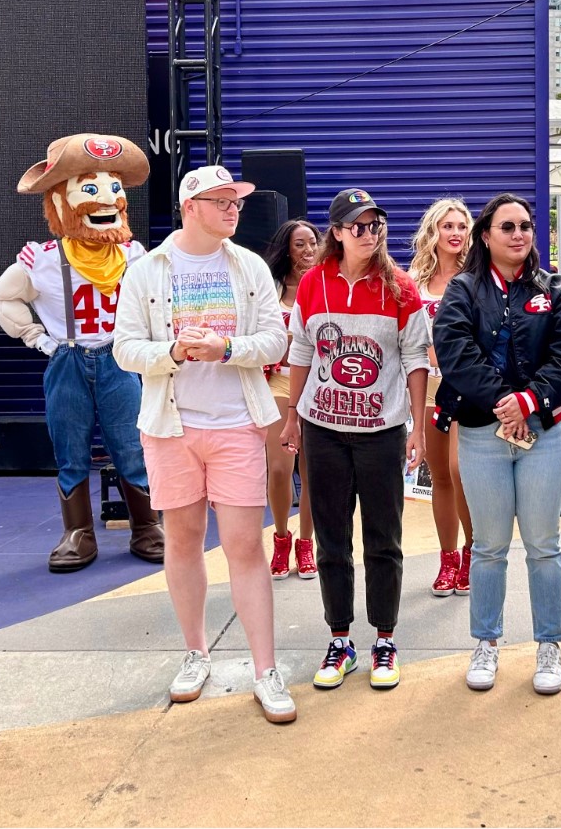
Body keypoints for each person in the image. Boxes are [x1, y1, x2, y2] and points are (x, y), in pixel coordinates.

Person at [113, 165, 294, 724]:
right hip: (170, 426)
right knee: (183, 541)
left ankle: (266, 670)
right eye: (219, 201)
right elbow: (124, 348)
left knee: (244, 546)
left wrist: (225, 347)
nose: (232, 209)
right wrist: (172, 354)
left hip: (237, 422)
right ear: (191, 206)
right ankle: (196, 653)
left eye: (235, 200)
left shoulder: (251, 266)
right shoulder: (147, 270)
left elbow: (275, 337)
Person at [433, 193, 561, 696]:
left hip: (544, 433)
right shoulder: (462, 289)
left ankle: (549, 645)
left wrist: (529, 401)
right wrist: (506, 403)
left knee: (544, 547)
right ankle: (486, 643)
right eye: (507, 227)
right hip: (481, 435)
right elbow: (455, 352)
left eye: (525, 226)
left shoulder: (555, 290)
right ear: (486, 236)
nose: (519, 234)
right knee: (489, 548)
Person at [279, 188, 429, 693]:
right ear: (337, 232)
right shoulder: (313, 285)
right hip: (322, 431)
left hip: (381, 433)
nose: (369, 234)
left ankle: (385, 640)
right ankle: (339, 639)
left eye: (376, 225)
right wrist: (292, 417)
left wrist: (418, 429)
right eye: (358, 226)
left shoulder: (401, 287)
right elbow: (301, 348)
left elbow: (415, 359)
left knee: (384, 540)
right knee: (331, 540)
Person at [0, 134, 164, 572]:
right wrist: (38, 338)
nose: (107, 198)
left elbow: (156, 301)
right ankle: (78, 532)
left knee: (131, 444)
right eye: (90, 188)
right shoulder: (42, 259)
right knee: (69, 449)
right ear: (61, 200)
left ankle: (146, 525)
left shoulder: (133, 254)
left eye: (113, 188)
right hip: (67, 360)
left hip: (118, 358)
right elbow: (4, 297)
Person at [409, 199, 475, 597]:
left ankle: (473, 552)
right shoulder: (414, 279)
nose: (454, 233)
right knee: (440, 477)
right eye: (446, 226)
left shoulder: (477, 276)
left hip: (466, 388)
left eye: (461, 226)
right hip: (428, 389)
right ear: (433, 232)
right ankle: (447, 558)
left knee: (460, 470)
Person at [262, 219, 320, 581]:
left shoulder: (325, 286)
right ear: (287, 250)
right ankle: (282, 538)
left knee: (311, 471)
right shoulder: (269, 289)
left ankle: (307, 545)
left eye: (313, 243)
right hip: (277, 384)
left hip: (317, 386)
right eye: (300, 244)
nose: (308, 250)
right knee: (280, 468)